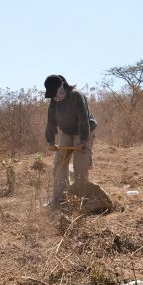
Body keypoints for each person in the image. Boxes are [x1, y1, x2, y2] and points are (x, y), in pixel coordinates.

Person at [44, 74, 97, 207]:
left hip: (83, 130)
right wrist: (51, 142)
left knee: (80, 164)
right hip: (67, 132)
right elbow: (51, 121)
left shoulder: (76, 96)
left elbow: (84, 120)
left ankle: (80, 200)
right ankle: (58, 199)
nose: (54, 97)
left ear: (61, 87)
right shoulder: (54, 100)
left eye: (54, 93)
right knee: (59, 163)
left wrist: (84, 141)